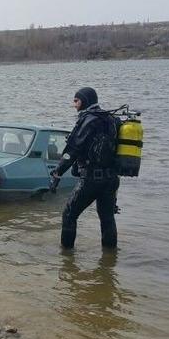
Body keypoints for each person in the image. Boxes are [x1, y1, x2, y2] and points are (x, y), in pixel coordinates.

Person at [50, 87, 120, 249]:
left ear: (85, 101)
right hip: (112, 179)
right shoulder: (110, 119)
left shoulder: (88, 120)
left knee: (69, 214)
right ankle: (109, 261)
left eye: (76, 101)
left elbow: (72, 150)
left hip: (91, 179)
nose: (74, 104)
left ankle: (66, 260)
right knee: (107, 218)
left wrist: (57, 173)